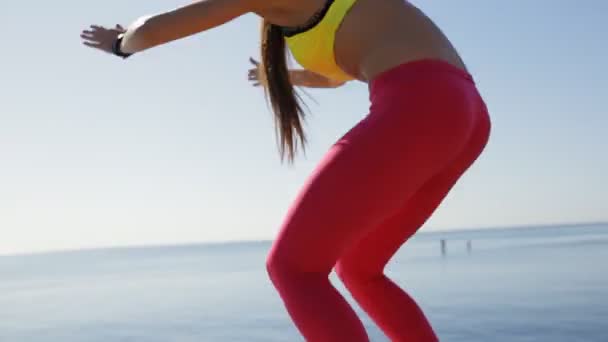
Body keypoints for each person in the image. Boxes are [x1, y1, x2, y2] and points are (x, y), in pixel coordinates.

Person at [80, 0, 491, 340]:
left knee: (293, 269)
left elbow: (158, 28)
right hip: (465, 112)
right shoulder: (303, 17)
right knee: (359, 268)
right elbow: (332, 78)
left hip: (420, 105)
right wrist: (280, 75)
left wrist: (121, 42)